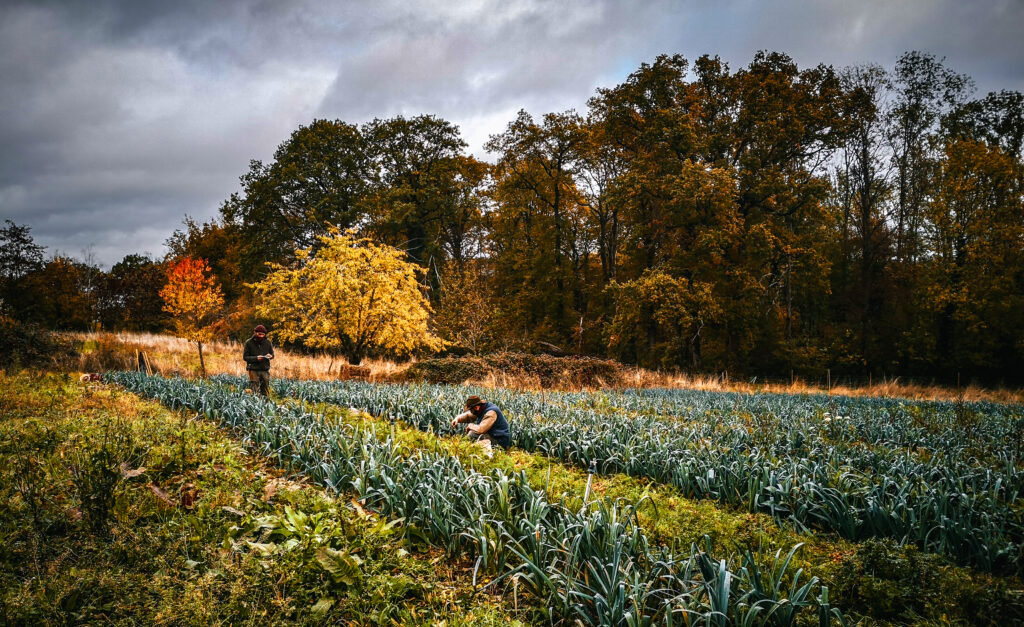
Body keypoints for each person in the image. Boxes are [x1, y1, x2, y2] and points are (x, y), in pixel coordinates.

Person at [243, 324, 274, 396]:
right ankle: (255, 405)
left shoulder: (268, 342)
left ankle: (265, 405)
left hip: (264, 369)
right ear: (255, 333)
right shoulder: (248, 342)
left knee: (265, 391)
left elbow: (272, 355)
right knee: (254, 391)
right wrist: (256, 358)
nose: (261, 336)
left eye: (263, 334)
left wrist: (270, 356)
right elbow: (245, 357)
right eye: (259, 334)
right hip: (253, 370)